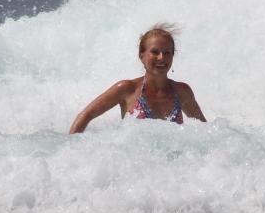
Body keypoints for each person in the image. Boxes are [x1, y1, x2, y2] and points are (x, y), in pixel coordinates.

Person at [69, 23, 206, 133]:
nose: (161, 57)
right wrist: (71, 150)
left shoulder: (182, 91)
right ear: (141, 55)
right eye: (155, 52)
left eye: (167, 53)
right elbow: (86, 115)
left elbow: (205, 131)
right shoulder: (127, 89)